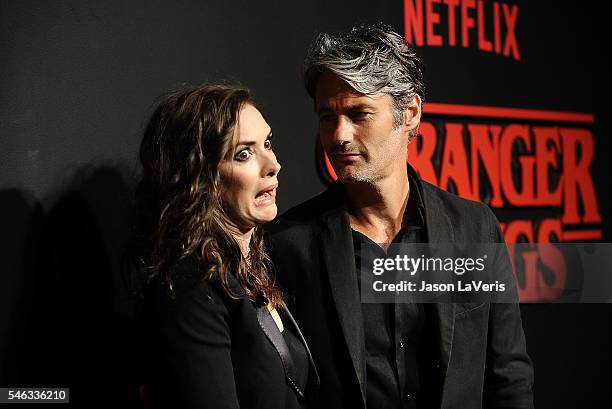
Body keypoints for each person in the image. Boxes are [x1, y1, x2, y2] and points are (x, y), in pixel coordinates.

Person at [267, 24, 534, 409]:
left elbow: (508, 374)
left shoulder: (474, 226)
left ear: (409, 113)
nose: (338, 135)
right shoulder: (290, 242)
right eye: (327, 116)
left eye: (359, 114)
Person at [134, 84, 318, 409]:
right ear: (200, 177)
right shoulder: (191, 287)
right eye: (243, 154)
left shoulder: (252, 267)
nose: (272, 164)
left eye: (267, 144)